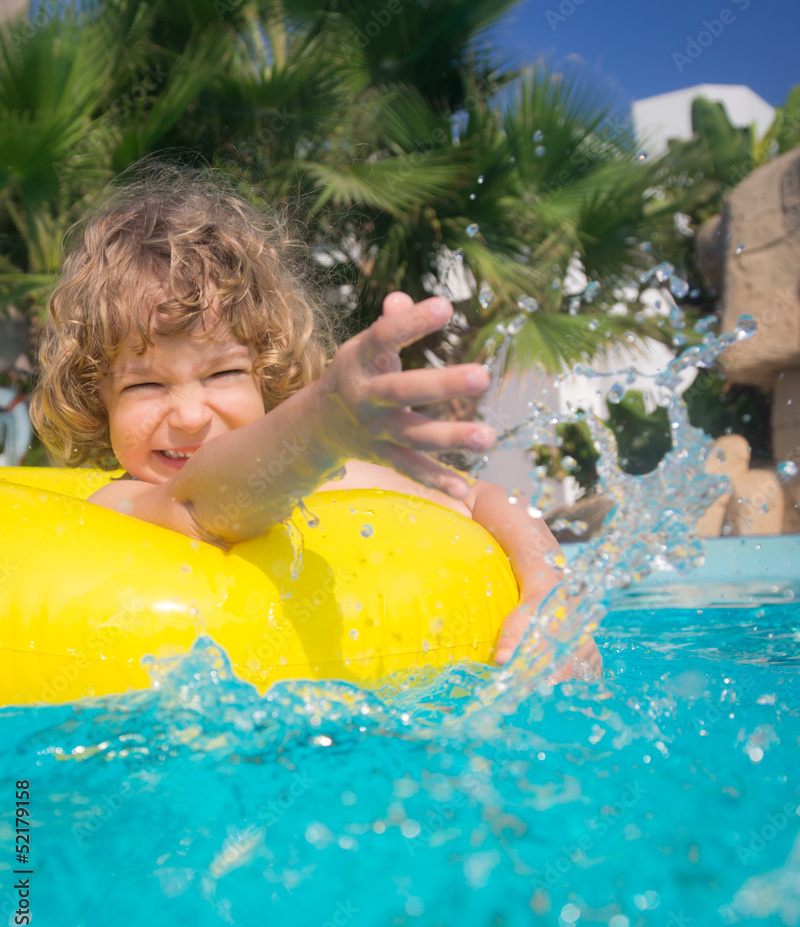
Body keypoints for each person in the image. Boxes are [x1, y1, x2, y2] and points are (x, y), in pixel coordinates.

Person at [31, 168, 584, 669]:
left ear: (265, 376)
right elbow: (205, 505)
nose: (192, 415)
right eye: (146, 383)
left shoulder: (345, 476)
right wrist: (319, 425)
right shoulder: (116, 508)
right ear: (96, 398)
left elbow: (484, 498)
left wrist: (544, 591)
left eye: (223, 374)